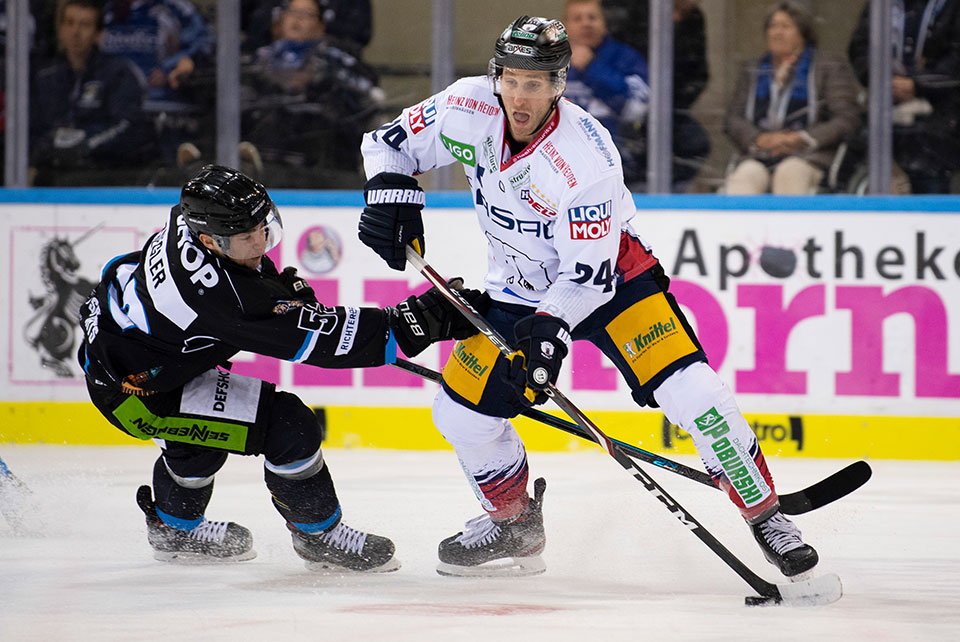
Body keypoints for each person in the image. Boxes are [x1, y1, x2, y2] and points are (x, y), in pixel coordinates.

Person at [357, 15, 821, 579]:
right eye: (511, 78)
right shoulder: (466, 107)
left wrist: (548, 335)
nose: (520, 95)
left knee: (694, 391)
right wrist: (390, 197)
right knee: (459, 414)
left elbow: (587, 276)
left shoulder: (584, 160)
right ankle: (514, 523)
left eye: (536, 83)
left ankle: (767, 515)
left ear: (559, 85)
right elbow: (386, 144)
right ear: (495, 75)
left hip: (613, 281)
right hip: (517, 287)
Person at [77, 164, 483, 570]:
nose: (260, 243)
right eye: (246, 237)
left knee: (203, 437)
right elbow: (326, 344)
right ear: (208, 240)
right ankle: (318, 537)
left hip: (141, 360)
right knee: (288, 425)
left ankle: (174, 526)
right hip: (136, 396)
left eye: (262, 228)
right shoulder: (225, 299)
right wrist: (414, 324)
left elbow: (245, 285)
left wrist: (275, 293)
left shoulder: (189, 219)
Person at [237, 0, 381, 187]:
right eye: (291, 12)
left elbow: (369, 95)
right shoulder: (257, 60)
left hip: (321, 153)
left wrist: (318, 79)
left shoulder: (335, 60)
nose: (297, 19)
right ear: (279, 21)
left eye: (306, 14)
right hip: (267, 147)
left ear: (321, 26)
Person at [723, 2, 861, 195]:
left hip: (807, 157)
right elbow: (732, 119)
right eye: (772, 26)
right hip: (759, 155)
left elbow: (847, 119)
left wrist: (800, 138)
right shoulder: (752, 70)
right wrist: (759, 138)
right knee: (744, 177)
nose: (777, 33)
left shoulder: (827, 67)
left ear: (803, 33)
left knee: (789, 173)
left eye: (786, 26)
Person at [29, 0, 154, 186]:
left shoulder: (117, 73)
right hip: (53, 175)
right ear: (60, 29)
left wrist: (85, 143)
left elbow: (128, 125)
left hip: (103, 175)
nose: (75, 32)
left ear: (98, 34)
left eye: (84, 25)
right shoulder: (45, 76)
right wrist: (48, 148)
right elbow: (32, 128)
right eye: (69, 23)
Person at [848, 0, 960, 194]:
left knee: (930, 189)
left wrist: (918, 85)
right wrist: (883, 80)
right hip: (887, 115)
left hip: (942, 119)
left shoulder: (951, 6)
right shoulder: (882, 5)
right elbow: (860, 48)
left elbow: (955, 57)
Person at [601, 0, 712, 188]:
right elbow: (629, 64)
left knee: (695, 143)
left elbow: (698, 72)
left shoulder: (693, 18)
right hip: (634, 104)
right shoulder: (639, 11)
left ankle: (667, 193)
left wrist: (673, 104)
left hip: (672, 107)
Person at [98, 0, 215, 167]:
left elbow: (204, 44)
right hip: (116, 117)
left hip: (166, 116)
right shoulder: (108, 11)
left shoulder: (176, 8)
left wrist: (173, 67)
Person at [562, 0, 651, 189]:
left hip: (620, 166)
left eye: (592, 17)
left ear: (604, 22)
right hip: (562, 165)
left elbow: (636, 110)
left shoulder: (626, 57)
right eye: (578, 18)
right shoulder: (551, 61)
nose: (586, 23)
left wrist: (592, 68)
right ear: (565, 26)